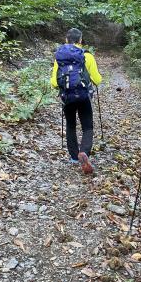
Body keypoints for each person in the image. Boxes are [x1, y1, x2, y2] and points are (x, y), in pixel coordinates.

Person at [50, 28, 102, 174]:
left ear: (66, 40)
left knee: (71, 125)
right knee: (87, 126)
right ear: (80, 40)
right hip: (84, 96)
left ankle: (73, 157)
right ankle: (84, 151)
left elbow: (54, 83)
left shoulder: (60, 57)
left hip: (67, 96)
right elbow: (97, 79)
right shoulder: (87, 56)